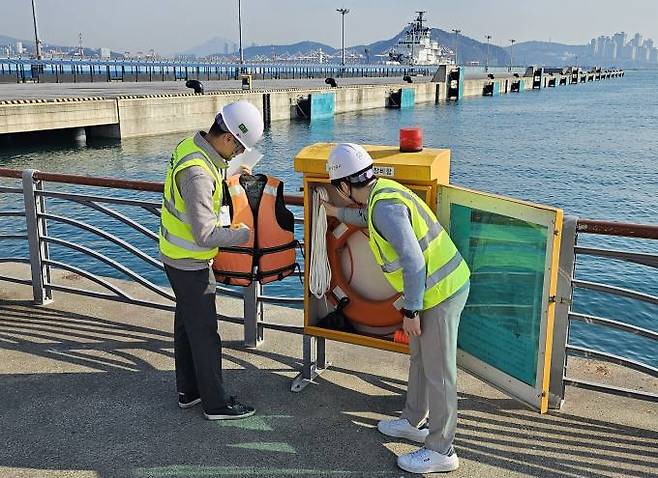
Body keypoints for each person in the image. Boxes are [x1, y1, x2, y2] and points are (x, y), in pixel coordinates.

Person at [322, 143, 471, 474]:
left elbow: (414, 262)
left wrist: (411, 311)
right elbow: (366, 216)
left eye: (338, 190)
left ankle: (442, 449)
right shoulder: (381, 193)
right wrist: (338, 214)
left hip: (441, 292)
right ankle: (413, 420)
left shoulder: (385, 206)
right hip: (432, 290)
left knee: (440, 373)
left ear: (345, 185)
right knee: (420, 359)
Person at [159, 100, 264, 420]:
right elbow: (205, 233)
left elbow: (208, 170)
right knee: (205, 333)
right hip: (189, 261)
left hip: (176, 254)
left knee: (187, 325)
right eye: (239, 149)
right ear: (229, 138)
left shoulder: (194, 146)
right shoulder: (198, 173)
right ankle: (216, 404)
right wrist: (243, 234)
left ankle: (188, 391)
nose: (237, 154)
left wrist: (232, 171)